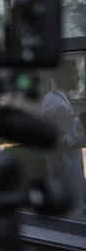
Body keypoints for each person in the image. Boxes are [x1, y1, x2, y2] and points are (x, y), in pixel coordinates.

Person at [40, 57, 86, 214]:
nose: (79, 78)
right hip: (65, 170)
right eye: (75, 74)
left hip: (64, 168)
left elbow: (65, 128)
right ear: (64, 76)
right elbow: (58, 142)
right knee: (70, 213)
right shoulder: (58, 105)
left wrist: (82, 119)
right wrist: (83, 140)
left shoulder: (55, 98)